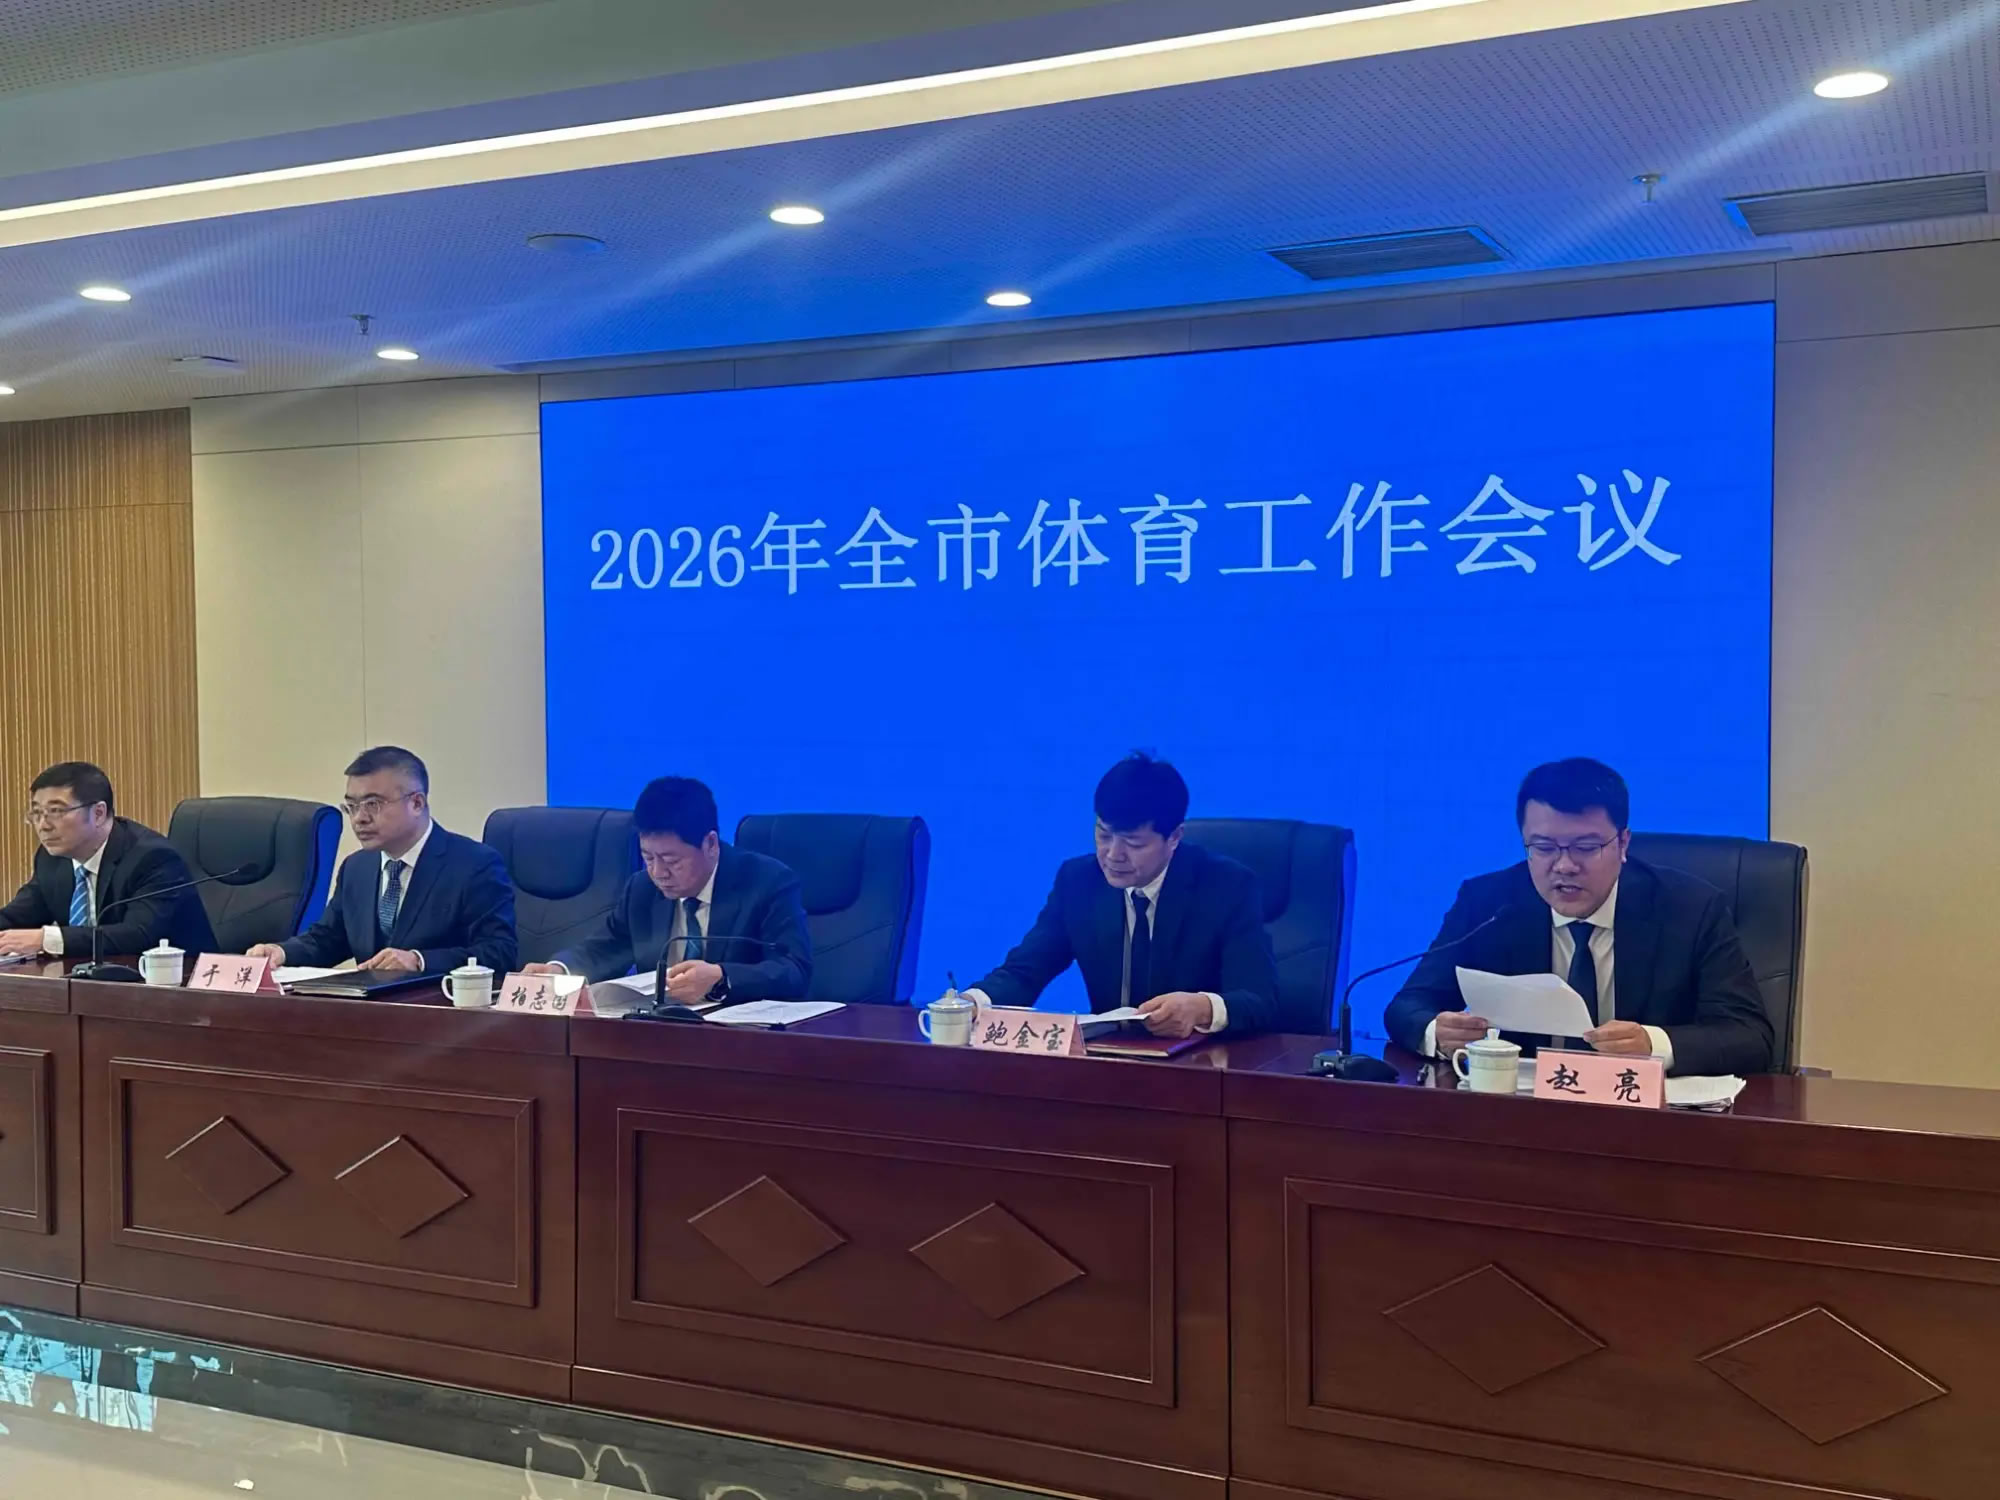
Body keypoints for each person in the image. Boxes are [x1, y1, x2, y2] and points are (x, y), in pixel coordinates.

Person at [1384, 757, 1773, 1077]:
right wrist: (1438, 1032)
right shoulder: (1488, 904)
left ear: (1623, 843)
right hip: (1523, 1118)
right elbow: (1407, 1006)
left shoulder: (1690, 909)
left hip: (1646, 1121)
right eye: (1544, 847)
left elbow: (1750, 1036)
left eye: (1585, 847)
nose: (1564, 866)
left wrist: (1653, 1044)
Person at [963, 753, 1280, 1039]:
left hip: (1199, 1064)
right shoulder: (1078, 882)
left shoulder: (1227, 887)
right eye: (1103, 835)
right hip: (1110, 1061)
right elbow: (1025, 970)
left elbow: (1260, 1000)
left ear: (1174, 837)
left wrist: (1201, 1008)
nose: (1113, 855)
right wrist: (972, 1003)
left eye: (1133, 843)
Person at [524, 776, 809, 1005]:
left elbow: (794, 969)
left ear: (710, 844)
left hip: (739, 1039)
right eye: (648, 858)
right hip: (659, 1033)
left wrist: (721, 977)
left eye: (672, 860)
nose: (658, 872)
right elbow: (605, 948)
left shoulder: (766, 882)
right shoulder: (641, 888)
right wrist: (559, 970)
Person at [247, 746, 515, 975]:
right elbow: (328, 939)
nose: (359, 818)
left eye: (372, 804)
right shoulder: (356, 867)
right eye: (352, 806)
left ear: (417, 803)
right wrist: (281, 952)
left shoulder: (474, 865)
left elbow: (499, 952)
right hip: (370, 1011)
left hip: (439, 1008)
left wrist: (419, 961)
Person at [0, 761, 218, 959]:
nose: (43, 825)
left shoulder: (152, 858)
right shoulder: (52, 858)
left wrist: (45, 939)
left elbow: (138, 935)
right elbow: (19, 914)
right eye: (37, 813)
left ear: (98, 813)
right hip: (89, 979)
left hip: (177, 980)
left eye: (56, 811)